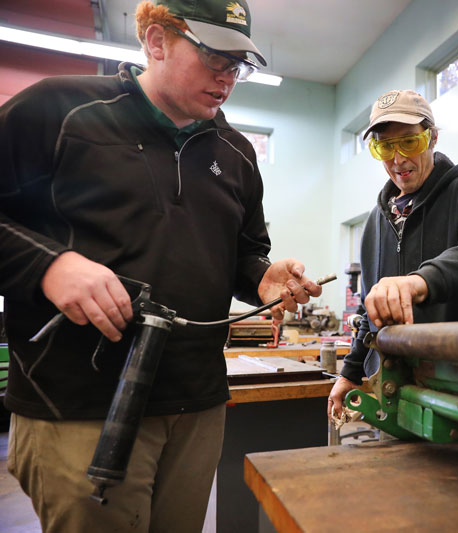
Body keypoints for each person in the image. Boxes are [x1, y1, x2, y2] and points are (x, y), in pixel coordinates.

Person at [0, 0, 321, 531]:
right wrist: (49, 266)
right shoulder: (56, 112)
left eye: (237, 66)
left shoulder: (237, 153)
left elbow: (243, 252)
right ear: (155, 41)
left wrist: (261, 276)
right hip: (81, 408)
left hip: (196, 406)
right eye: (214, 57)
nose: (228, 78)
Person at [327, 89, 458, 419]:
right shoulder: (377, 220)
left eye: (409, 142)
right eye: (385, 147)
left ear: (431, 139)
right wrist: (349, 372)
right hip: (395, 396)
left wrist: (421, 281)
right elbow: (368, 307)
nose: (398, 158)